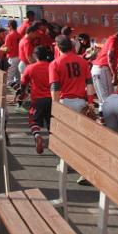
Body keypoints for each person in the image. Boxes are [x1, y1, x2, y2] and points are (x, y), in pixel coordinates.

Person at [49, 35, 96, 185]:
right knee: (82, 139)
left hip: (64, 103)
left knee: (65, 137)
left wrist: (55, 107)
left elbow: (55, 88)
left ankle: (66, 164)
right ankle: (84, 170)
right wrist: (90, 103)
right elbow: (89, 84)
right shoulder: (82, 61)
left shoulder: (55, 63)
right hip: (81, 102)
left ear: (58, 47)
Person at [91, 28, 118, 115]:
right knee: (108, 100)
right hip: (103, 69)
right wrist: (115, 75)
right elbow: (110, 57)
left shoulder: (111, 38)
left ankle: (103, 122)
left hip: (98, 69)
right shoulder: (115, 40)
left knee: (103, 100)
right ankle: (107, 124)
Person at [21, 45, 53, 154]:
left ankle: (37, 136)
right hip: (52, 99)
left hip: (37, 100)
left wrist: (21, 95)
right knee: (51, 123)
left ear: (35, 56)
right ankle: (54, 143)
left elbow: (23, 82)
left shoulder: (30, 67)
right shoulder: (52, 66)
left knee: (34, 121)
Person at [3, 20, 21, 87]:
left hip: (12, 57)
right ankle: (19, 93)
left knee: (9, 79)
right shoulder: (19, 35)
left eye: (8, 26)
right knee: (18, 78)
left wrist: (1, 49)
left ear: (10, 26)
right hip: (19, 57)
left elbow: (7, 49)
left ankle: (10, 93)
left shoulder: (9, 36)